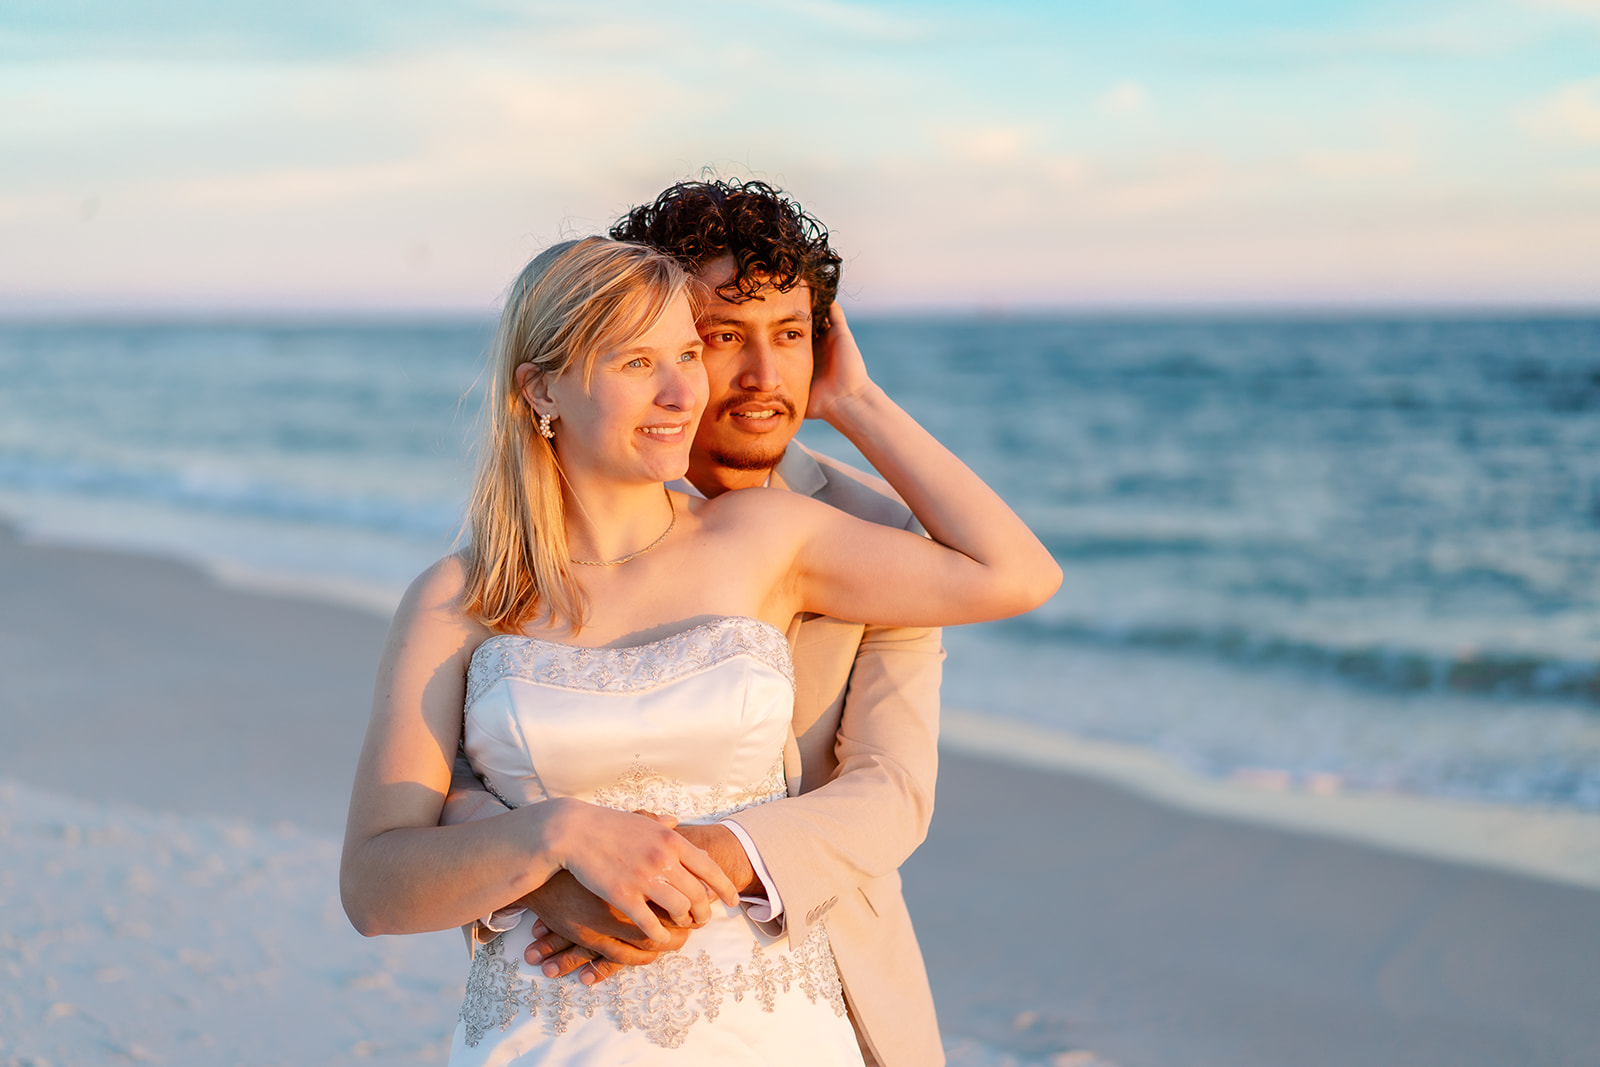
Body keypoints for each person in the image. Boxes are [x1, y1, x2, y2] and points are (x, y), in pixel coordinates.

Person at [339, 235, 1060, 1064]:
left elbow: (1017, 574)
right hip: (550, 1037)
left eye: (688, 352)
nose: (687, 391)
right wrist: (558, 837)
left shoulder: (767, 537)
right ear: (541, 388)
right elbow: (373, 886)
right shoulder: (457, 597)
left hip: (772, 1030)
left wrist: (858, 400)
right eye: (639, 361)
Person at [443, 180, 952, 1067]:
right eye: (720, 338)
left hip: (815, 981)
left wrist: (859, 404)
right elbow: (450, 773)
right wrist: (555, 871)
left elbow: (893, 789)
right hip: (572, 992)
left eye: (793, 336)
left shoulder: (880, 538)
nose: (762, 376)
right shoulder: (546, 542)